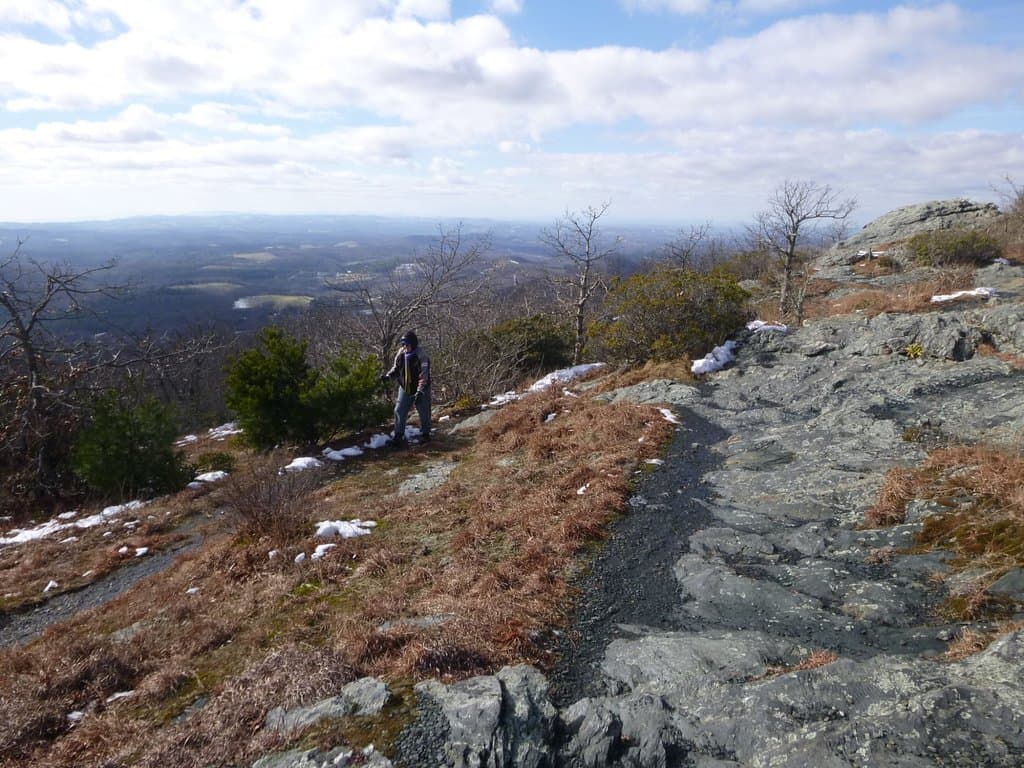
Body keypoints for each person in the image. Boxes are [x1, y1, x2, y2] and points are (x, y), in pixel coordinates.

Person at [379, 330, 431, 447]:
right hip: (405, 386)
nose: (404, 347)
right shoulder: (401, 353)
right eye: (403, 344)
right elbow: (397, 368)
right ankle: (398, 435)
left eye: (407, 344)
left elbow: (424, 375)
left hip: (421, 387)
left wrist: (420, 391)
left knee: (423, 410)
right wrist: (388, 377)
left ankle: (426, 434)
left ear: (413, 344)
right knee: (399, 409)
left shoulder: (421, 355)